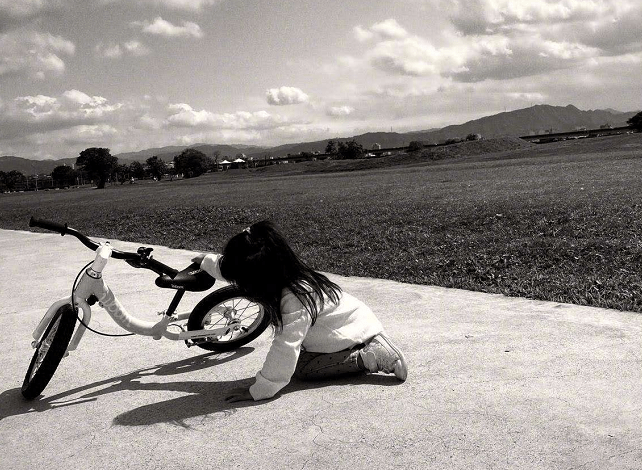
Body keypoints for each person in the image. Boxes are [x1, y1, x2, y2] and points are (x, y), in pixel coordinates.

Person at [192, 220, 408, 402]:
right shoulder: (281, 275)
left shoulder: (296, 298)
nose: (241, 286)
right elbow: (234, 268)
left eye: (244, 282)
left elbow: (286, 346)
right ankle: (365, 349)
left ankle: (371, 356)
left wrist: (260, 390)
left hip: (350, 334)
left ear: (260, 279)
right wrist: (207, 262)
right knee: (298, 362)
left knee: (303, 369)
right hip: (349, 325)